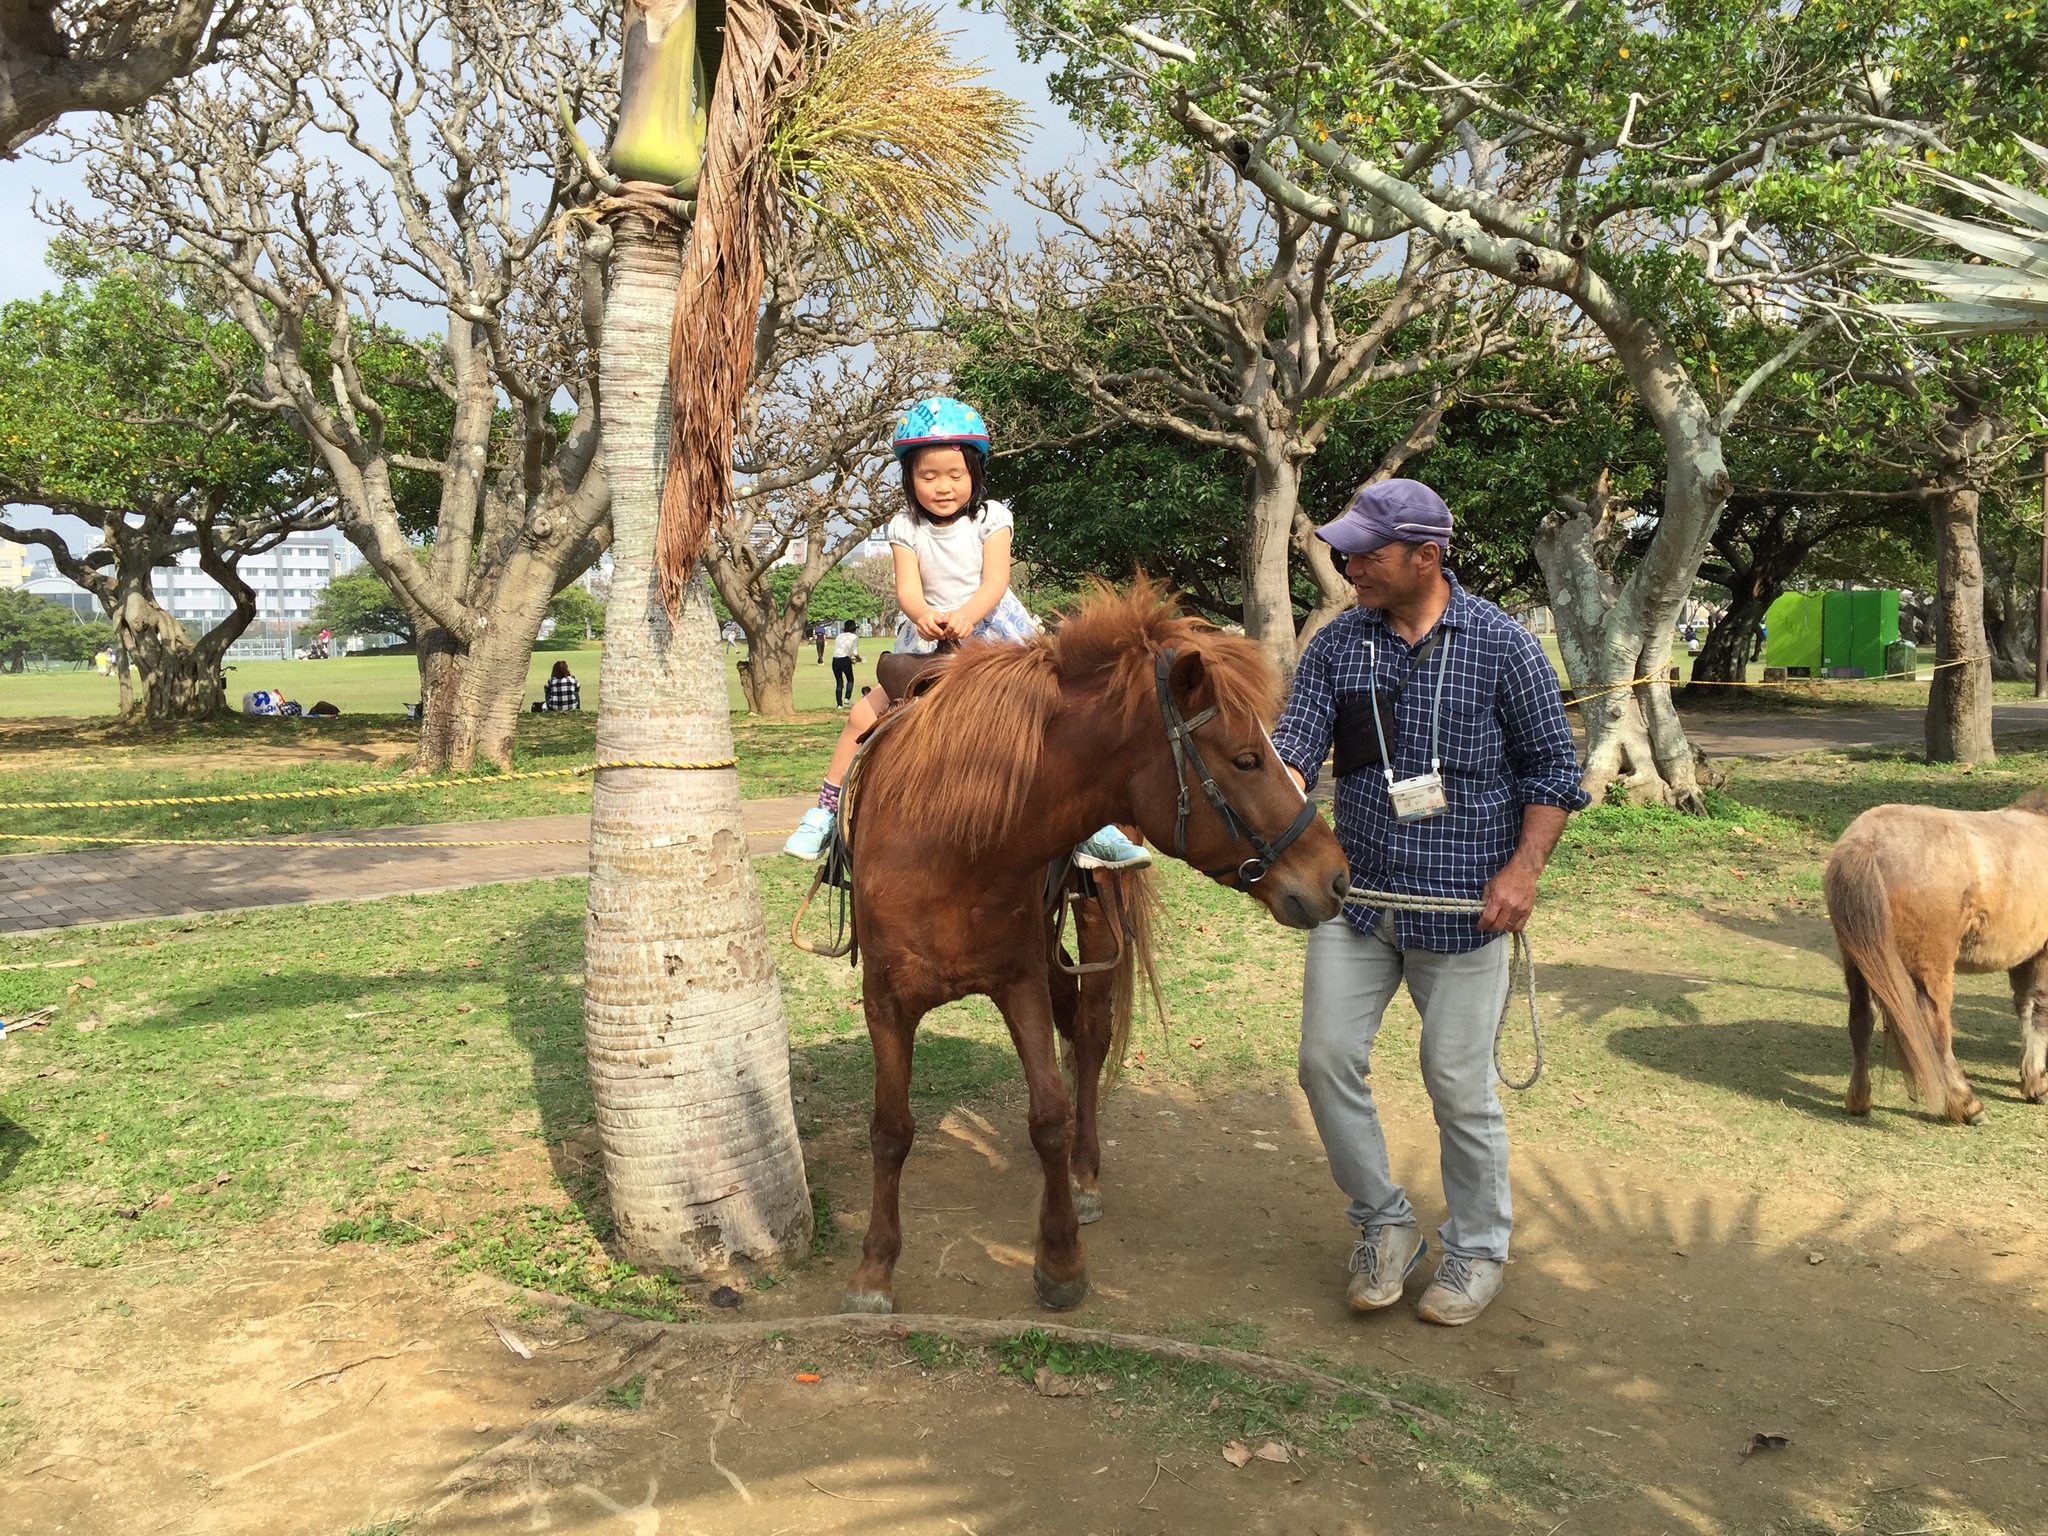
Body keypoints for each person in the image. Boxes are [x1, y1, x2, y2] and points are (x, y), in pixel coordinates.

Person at [1272, 479, 1588, 1328]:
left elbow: (1553, 771)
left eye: (1367, 554)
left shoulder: (1503, 646)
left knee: (1458, 1085)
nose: (1350, 566)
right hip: (1361, 904)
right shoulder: (1340, 648)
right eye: (1346, 552)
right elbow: (1295, 747)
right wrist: (1276, 797)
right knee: (1323, 1059)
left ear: (1426, 557)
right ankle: (1385, 1223)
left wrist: (1523, 870)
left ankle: (1479, 1248)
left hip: (1465, 914)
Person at [783, 397, 1149, 871]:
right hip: (927, 638)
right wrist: (921, 615)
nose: (942, 486)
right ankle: (826, 814)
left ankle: (1087, 828)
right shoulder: (905, 527)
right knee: (860, 717)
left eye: (955, 474)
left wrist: (969, 614)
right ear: (909, 477)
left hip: (993, 631)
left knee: (1051, 718)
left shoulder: (991, 517)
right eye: (928, 475)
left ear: (975, 472)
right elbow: (908, 589)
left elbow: (995, 581)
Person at [831, 619, 861, 708]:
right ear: (854, 630)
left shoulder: (839, 636)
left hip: (835, 660)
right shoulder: (854, 637)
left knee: (839, 683)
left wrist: (850, 660)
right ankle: (847, 698)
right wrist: (858, 659)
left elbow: (841, 650)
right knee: (850, 679)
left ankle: (839, 704)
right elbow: (855, 652)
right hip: (845, 660)